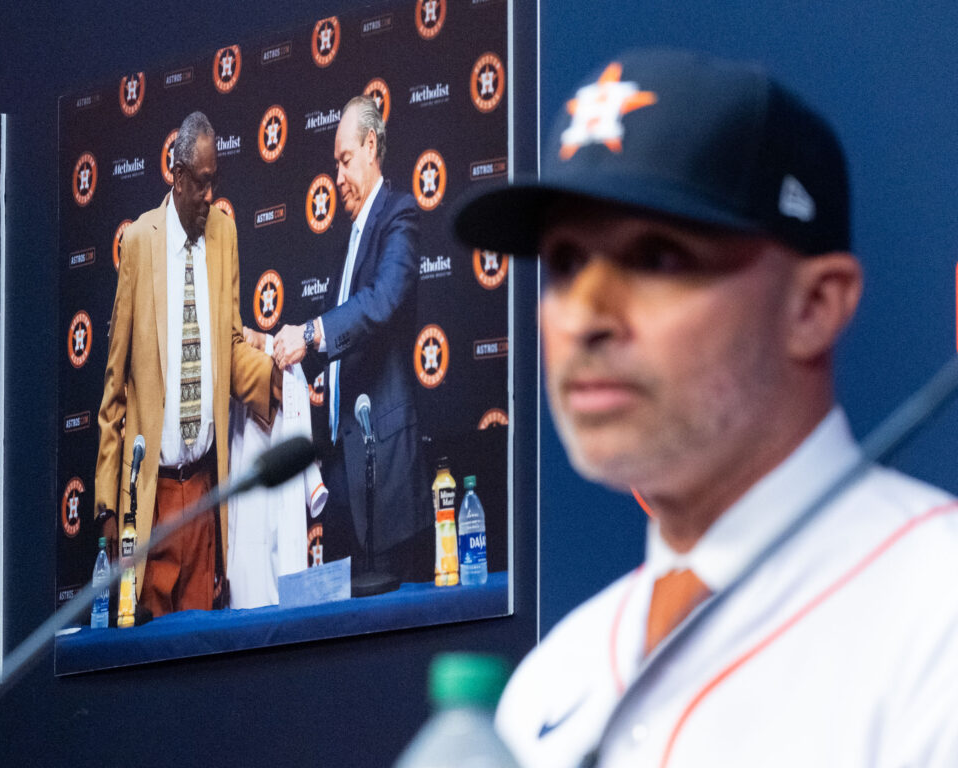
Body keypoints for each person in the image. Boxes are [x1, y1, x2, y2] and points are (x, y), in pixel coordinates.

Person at [454, 49, 958, 767]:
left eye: (657, 258)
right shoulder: (551, 679)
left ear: (813, 305)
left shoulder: (941, 611)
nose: (586, 316)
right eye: (565, 264)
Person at [95, 111, 280, 618]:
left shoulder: (224, 234)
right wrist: (109, 506)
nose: (208, 194)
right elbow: (114, 385)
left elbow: (230, 341)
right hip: (150, 497)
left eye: (214, 181)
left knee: (201, 646)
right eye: (201, 182)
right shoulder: (138, 243)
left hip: (202, 491)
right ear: (177, 177)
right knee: (150, 651)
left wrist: (274, 372)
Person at [271, 95, 431, 584]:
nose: (337, 177)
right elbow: (337, 348)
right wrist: (275, 348)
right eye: (335, 164)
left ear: (370, 145)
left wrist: (311, 333)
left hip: (385, 477)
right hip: (343, 480)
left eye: (344, 161)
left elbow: (381, 302)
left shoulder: (399, 215)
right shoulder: (349, 240)